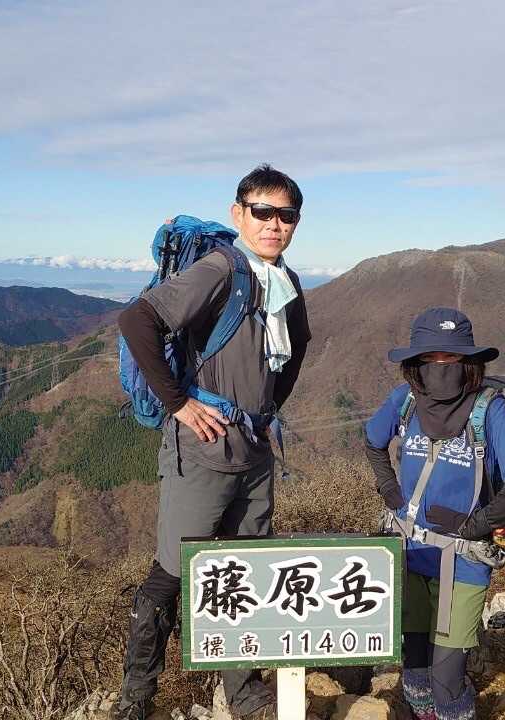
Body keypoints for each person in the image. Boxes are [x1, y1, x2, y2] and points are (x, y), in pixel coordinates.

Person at [114, 165, 312, 720]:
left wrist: (266, 412)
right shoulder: (222, 269)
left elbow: (295, 351)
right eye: (262, 212)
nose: (274, 224)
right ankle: (137, 699)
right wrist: (179, 402)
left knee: (245, 570)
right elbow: (137, 321)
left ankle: (244, 696)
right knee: (174, 570)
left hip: (254, 451)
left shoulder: (286, 281)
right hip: (202, 449)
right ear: (238, 214)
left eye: (286, 215)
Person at [365, 307, 505, 720]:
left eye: (452, 358)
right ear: (415, 363)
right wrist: (389, 489)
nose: (441, 367)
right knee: (414, 662)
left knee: (447, 675)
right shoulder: (405, 400)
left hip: (463, 561)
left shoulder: (488, 410)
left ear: (470, 362)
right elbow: (372, 441)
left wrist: (477, 524)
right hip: (409, 553)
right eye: (430, 358)